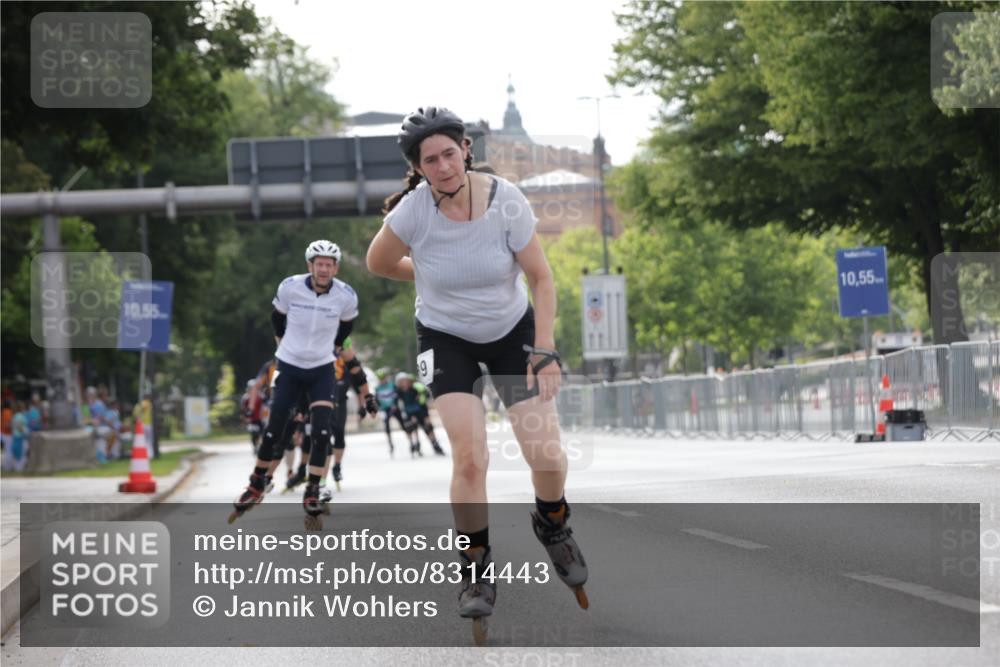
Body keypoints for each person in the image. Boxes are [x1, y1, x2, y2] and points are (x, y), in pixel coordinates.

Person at [366, 106, 588, 636]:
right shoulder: (413, 213)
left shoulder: (505, 199)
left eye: (449, 153)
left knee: (548, 456)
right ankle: (475, 570)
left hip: (513, 334)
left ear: (466, 149)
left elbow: (541, 277)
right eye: (429, 160)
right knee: (470, 459)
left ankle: (552, 522)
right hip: (445, 340)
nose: (442, 166)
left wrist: (544, 348)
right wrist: (426, 270)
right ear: (418, 169)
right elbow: (377, 263)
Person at [229, 240, 358, 530]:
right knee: (275, 427)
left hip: (322, 368)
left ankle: (312, 489)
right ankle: (256, 483)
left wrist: (335, 347)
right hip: (288, 365)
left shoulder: (345, 295)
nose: (324, 269)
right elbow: (277, 317)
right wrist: (281, 344)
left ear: (335, 268)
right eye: (319, 264)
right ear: (309, 265)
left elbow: (347, 325)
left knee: (323, 429)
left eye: (329, 265)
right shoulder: (290, 287)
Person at [394, 371, 445, 457]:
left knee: (428, 427)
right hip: (409, 412)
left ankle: (435, 445)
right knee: (411, 428)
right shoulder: (399, 392)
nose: (404, 383)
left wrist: (426, 415)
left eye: (405, 381)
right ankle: (415, 445)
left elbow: (424, 399)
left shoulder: (415, 389)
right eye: (401, 382)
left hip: (420, 410)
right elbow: (398, 403)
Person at [374, 367, 405, 456]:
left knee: (403, 424)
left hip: (394, 408)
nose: (382, 380)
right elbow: (377, 400)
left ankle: (411, 441)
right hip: (385, 410)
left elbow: (398, 395)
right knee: (387, 427)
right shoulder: (377, 388)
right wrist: (379, 409)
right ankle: (390, 444)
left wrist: (396, 405)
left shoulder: (392, 385)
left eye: (383, 378)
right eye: (380, 379)